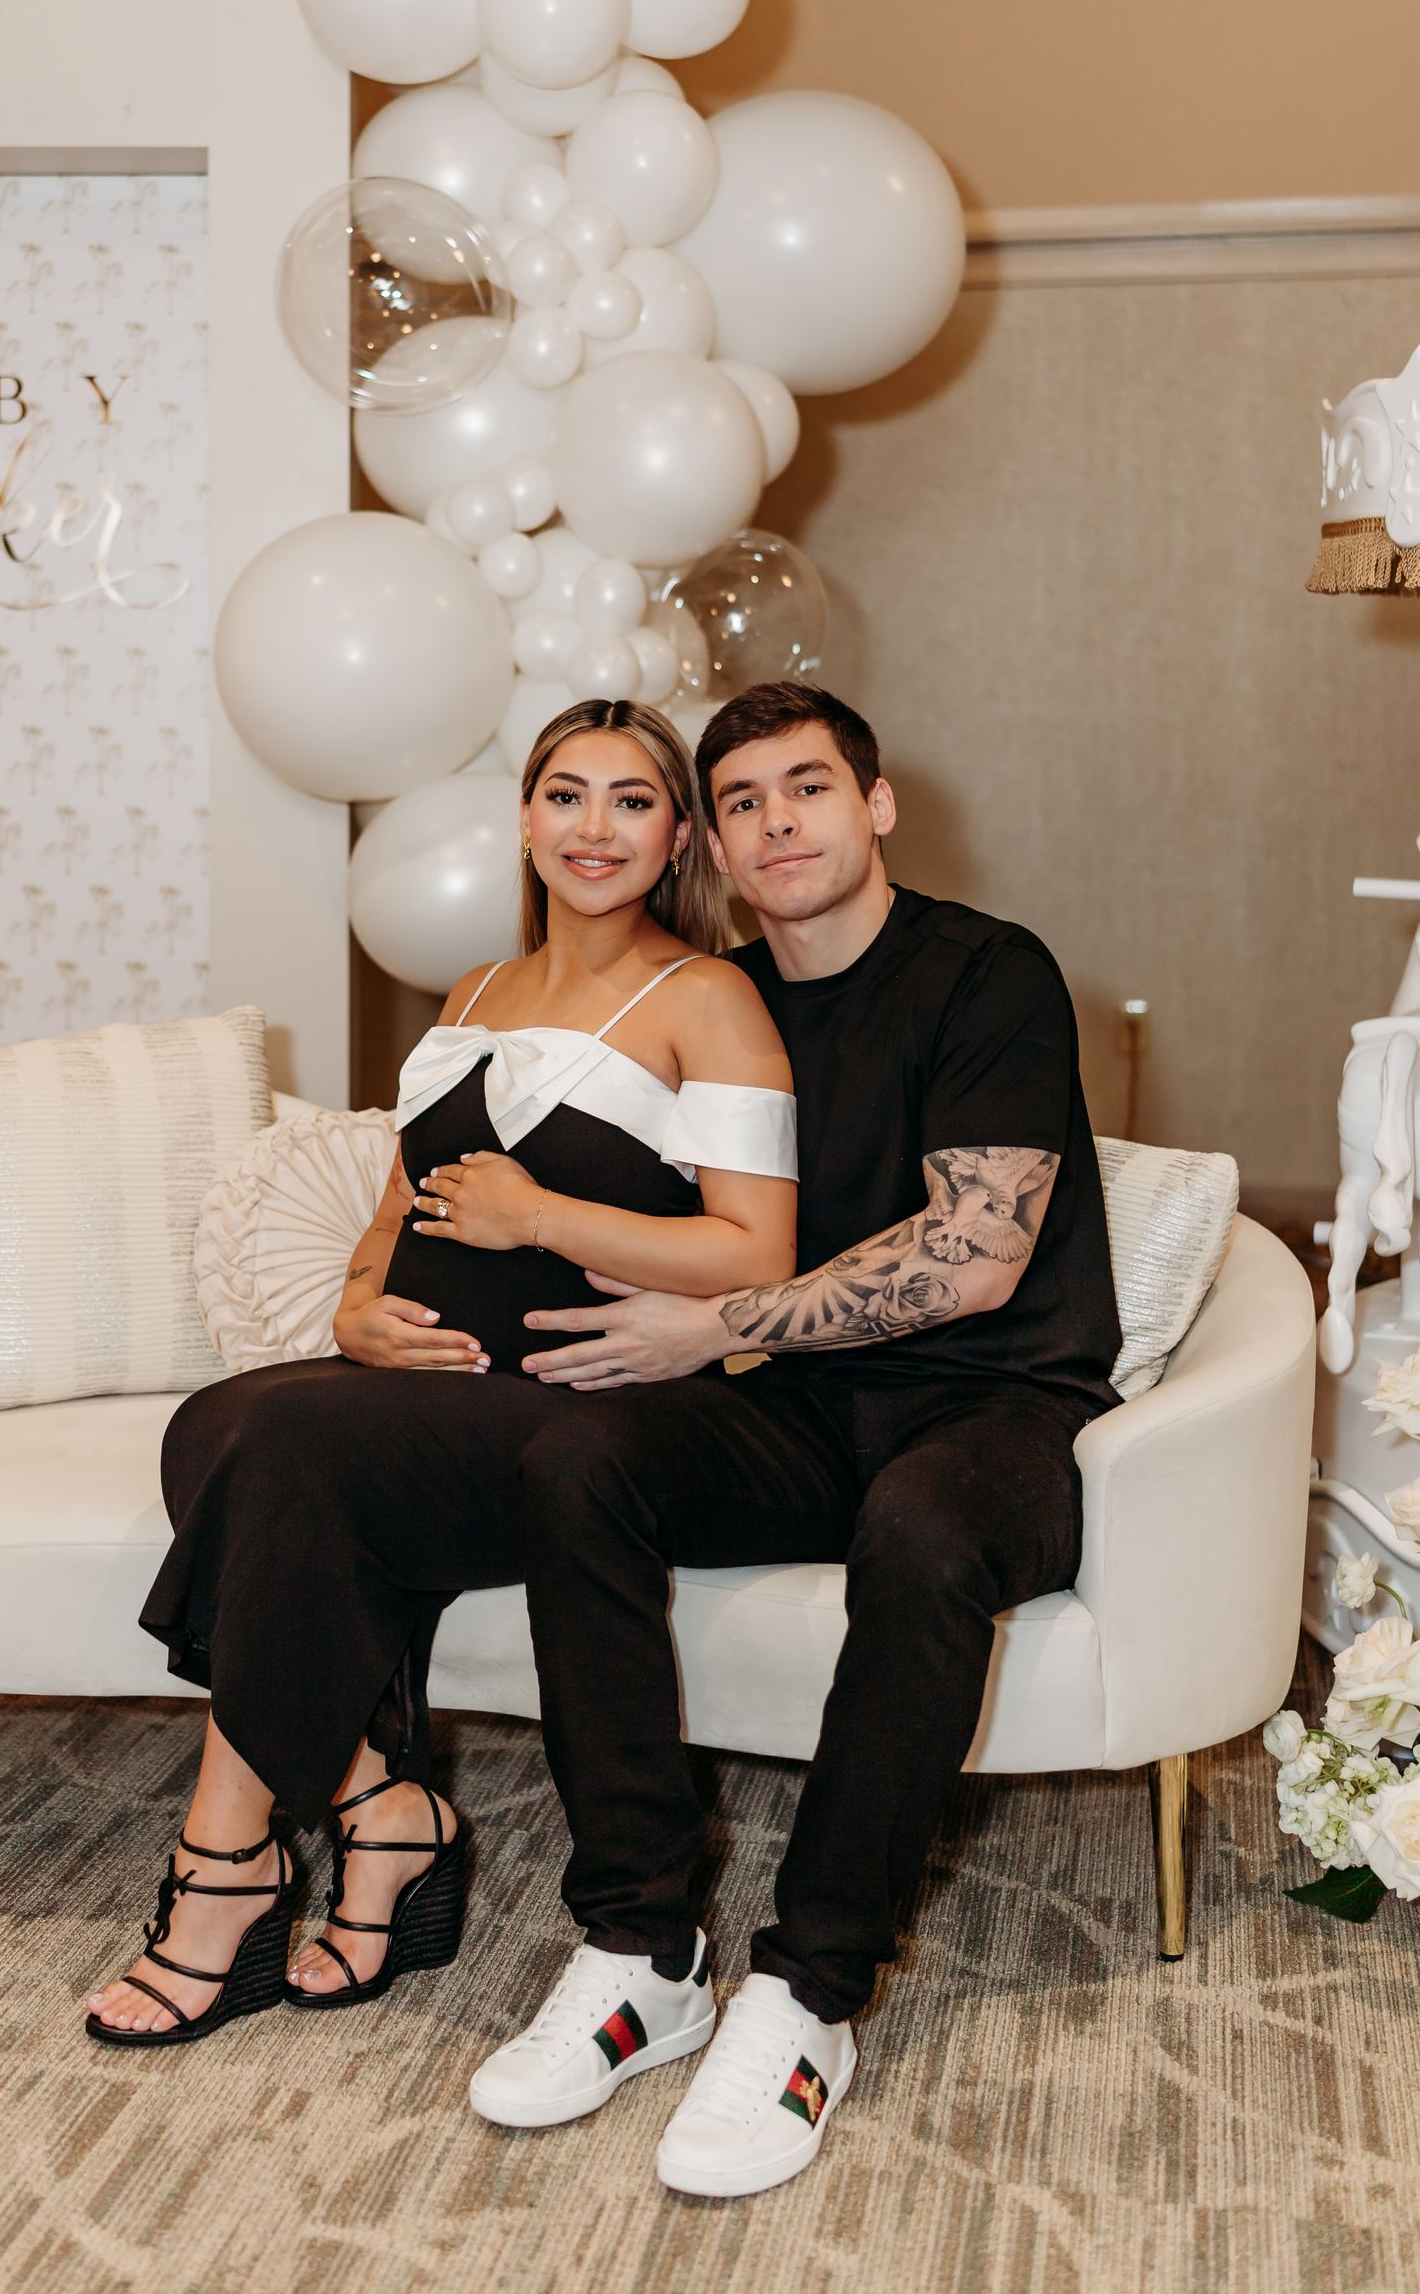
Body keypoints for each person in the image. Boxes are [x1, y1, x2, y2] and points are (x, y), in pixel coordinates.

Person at [467, 679, 1123, 2203]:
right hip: (799, 1413)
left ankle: (811, 1990)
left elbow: (974, 1253)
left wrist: (729, 1326)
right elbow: (666, 1228)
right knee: (578, 1463)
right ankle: (642, 1945)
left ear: (876, 805)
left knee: (927, 1531)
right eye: (746, 799)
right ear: (716, 835)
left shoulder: (986, 973)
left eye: (810, 788)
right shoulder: (723, 1000)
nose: (780, 823)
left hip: (992, 1403)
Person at [83, 697, 798, 2046]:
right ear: (523, 821)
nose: (595, 828)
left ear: (681, 831)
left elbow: (757, 1248)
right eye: (566, 796)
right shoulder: (474, 994)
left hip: (574, 1407)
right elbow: (400, 1207)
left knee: (286, 1450)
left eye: (633, 800)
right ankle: (381, 1806)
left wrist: (543, 1221)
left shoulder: (709, 998)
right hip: (426, 1392)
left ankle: (223, 1873)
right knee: (216, 1428)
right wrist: (356, 1309)